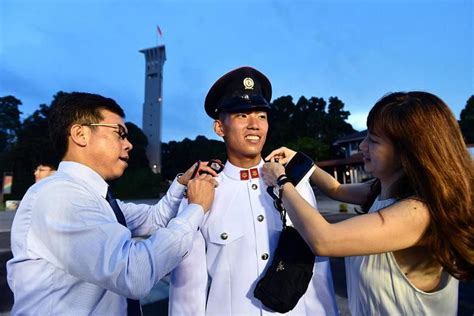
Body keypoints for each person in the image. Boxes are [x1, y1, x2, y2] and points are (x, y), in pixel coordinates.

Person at [263, 91, 474, 315]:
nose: (362, 146)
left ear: (409, 152)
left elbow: (324, 240)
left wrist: (281, 181)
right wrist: (300, 161)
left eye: (373, 140)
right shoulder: (383, 193)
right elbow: (336, 189)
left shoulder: (418, 213)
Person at [7, 92, 218, 315]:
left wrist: (181, 183)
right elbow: (133, 273)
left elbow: (156, 219)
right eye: (120, 133)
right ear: (80, 134)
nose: (129, 144)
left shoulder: (96, 199)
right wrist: (196, 208)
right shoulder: (58, 196)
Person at [169, 67, 338, 315]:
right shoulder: (202, 192)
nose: (254, 125)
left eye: (261, 116)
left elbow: (318, 272)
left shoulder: (293, 184)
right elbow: (187, 291)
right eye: (241, 116)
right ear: (219, 128)